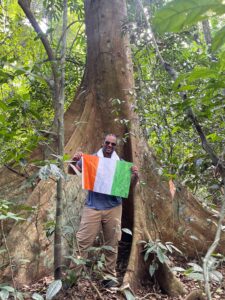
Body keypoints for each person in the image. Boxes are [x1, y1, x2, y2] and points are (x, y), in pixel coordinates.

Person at [68, 134, 139, 287]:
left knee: (112, 242)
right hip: (92, 206)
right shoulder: (92, 159)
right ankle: (72, 276)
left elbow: (128, 188)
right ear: (103, 142)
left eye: (113, 144)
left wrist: (135, 176)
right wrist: (74, 160)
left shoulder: (120, 164)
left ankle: (109, 277)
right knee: (82, 241)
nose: (109, 146)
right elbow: (72, 171)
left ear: (115, 146)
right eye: (107, 143)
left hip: (113, 207)